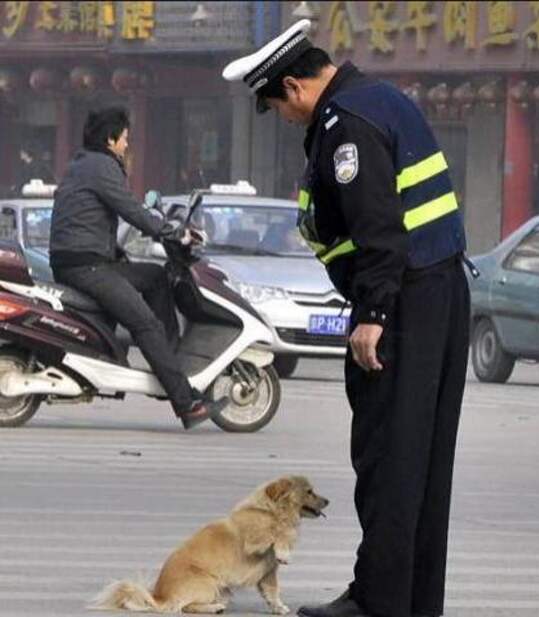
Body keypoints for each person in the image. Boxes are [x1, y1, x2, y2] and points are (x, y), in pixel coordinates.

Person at [223, 21, 471, 617]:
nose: (285, 120)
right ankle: (407, 600)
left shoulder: (345, 126)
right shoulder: (379, 99)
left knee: (388, 456)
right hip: (437, 293)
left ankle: (378, 603)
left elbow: (380, 228)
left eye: (277, 108)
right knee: (420, 462)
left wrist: (374, 315)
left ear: (294, 87)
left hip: (402, 303)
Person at [49, 107, 224, 430]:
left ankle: (170, 364)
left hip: (85, 261)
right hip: (86, 267)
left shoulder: (82, 163)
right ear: (110, 139)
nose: (127, 145)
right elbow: (131, 210)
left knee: (155, 277)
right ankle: (186, 404)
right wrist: (175, 232)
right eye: (125, 139)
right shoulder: (102, 166)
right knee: (145, 323)